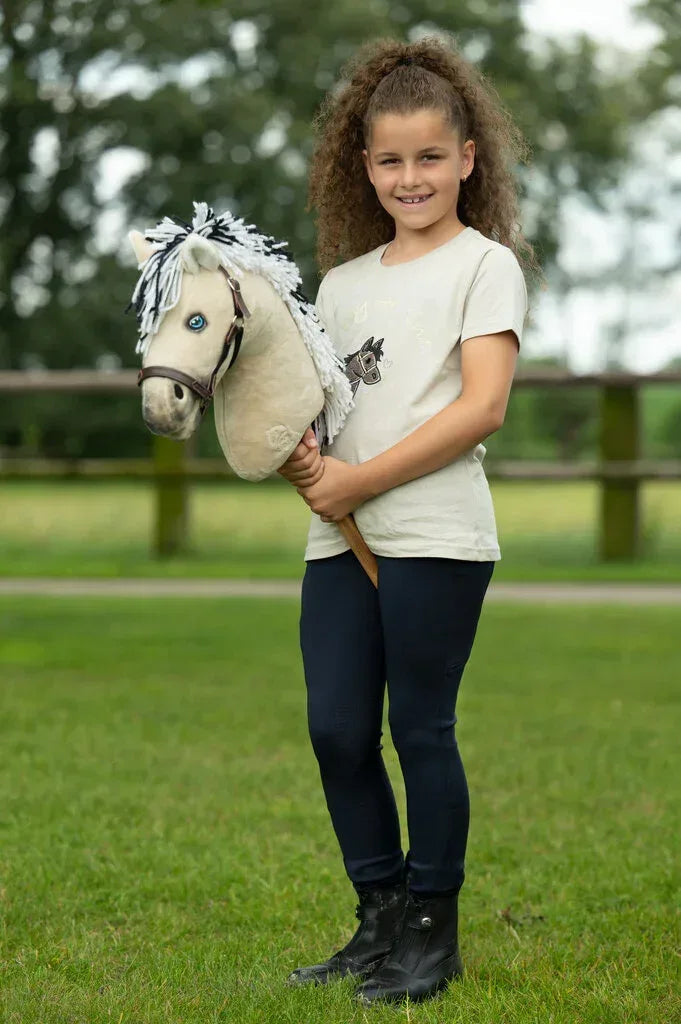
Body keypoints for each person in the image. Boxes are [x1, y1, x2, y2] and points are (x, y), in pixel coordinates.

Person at [279, 33, 542, 1006]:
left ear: (468, 157)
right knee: (337, 730)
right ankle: (378, 916)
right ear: (364, 165)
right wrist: (300, 445)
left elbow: (481, 407)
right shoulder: (342, 286)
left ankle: (434, 931)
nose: (411, 176)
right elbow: (318, 411)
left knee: (418, 727)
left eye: (431, 156)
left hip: (435, 534)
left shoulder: (487, 266)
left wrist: (359, 482)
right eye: (391, 159)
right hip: (335, 541)